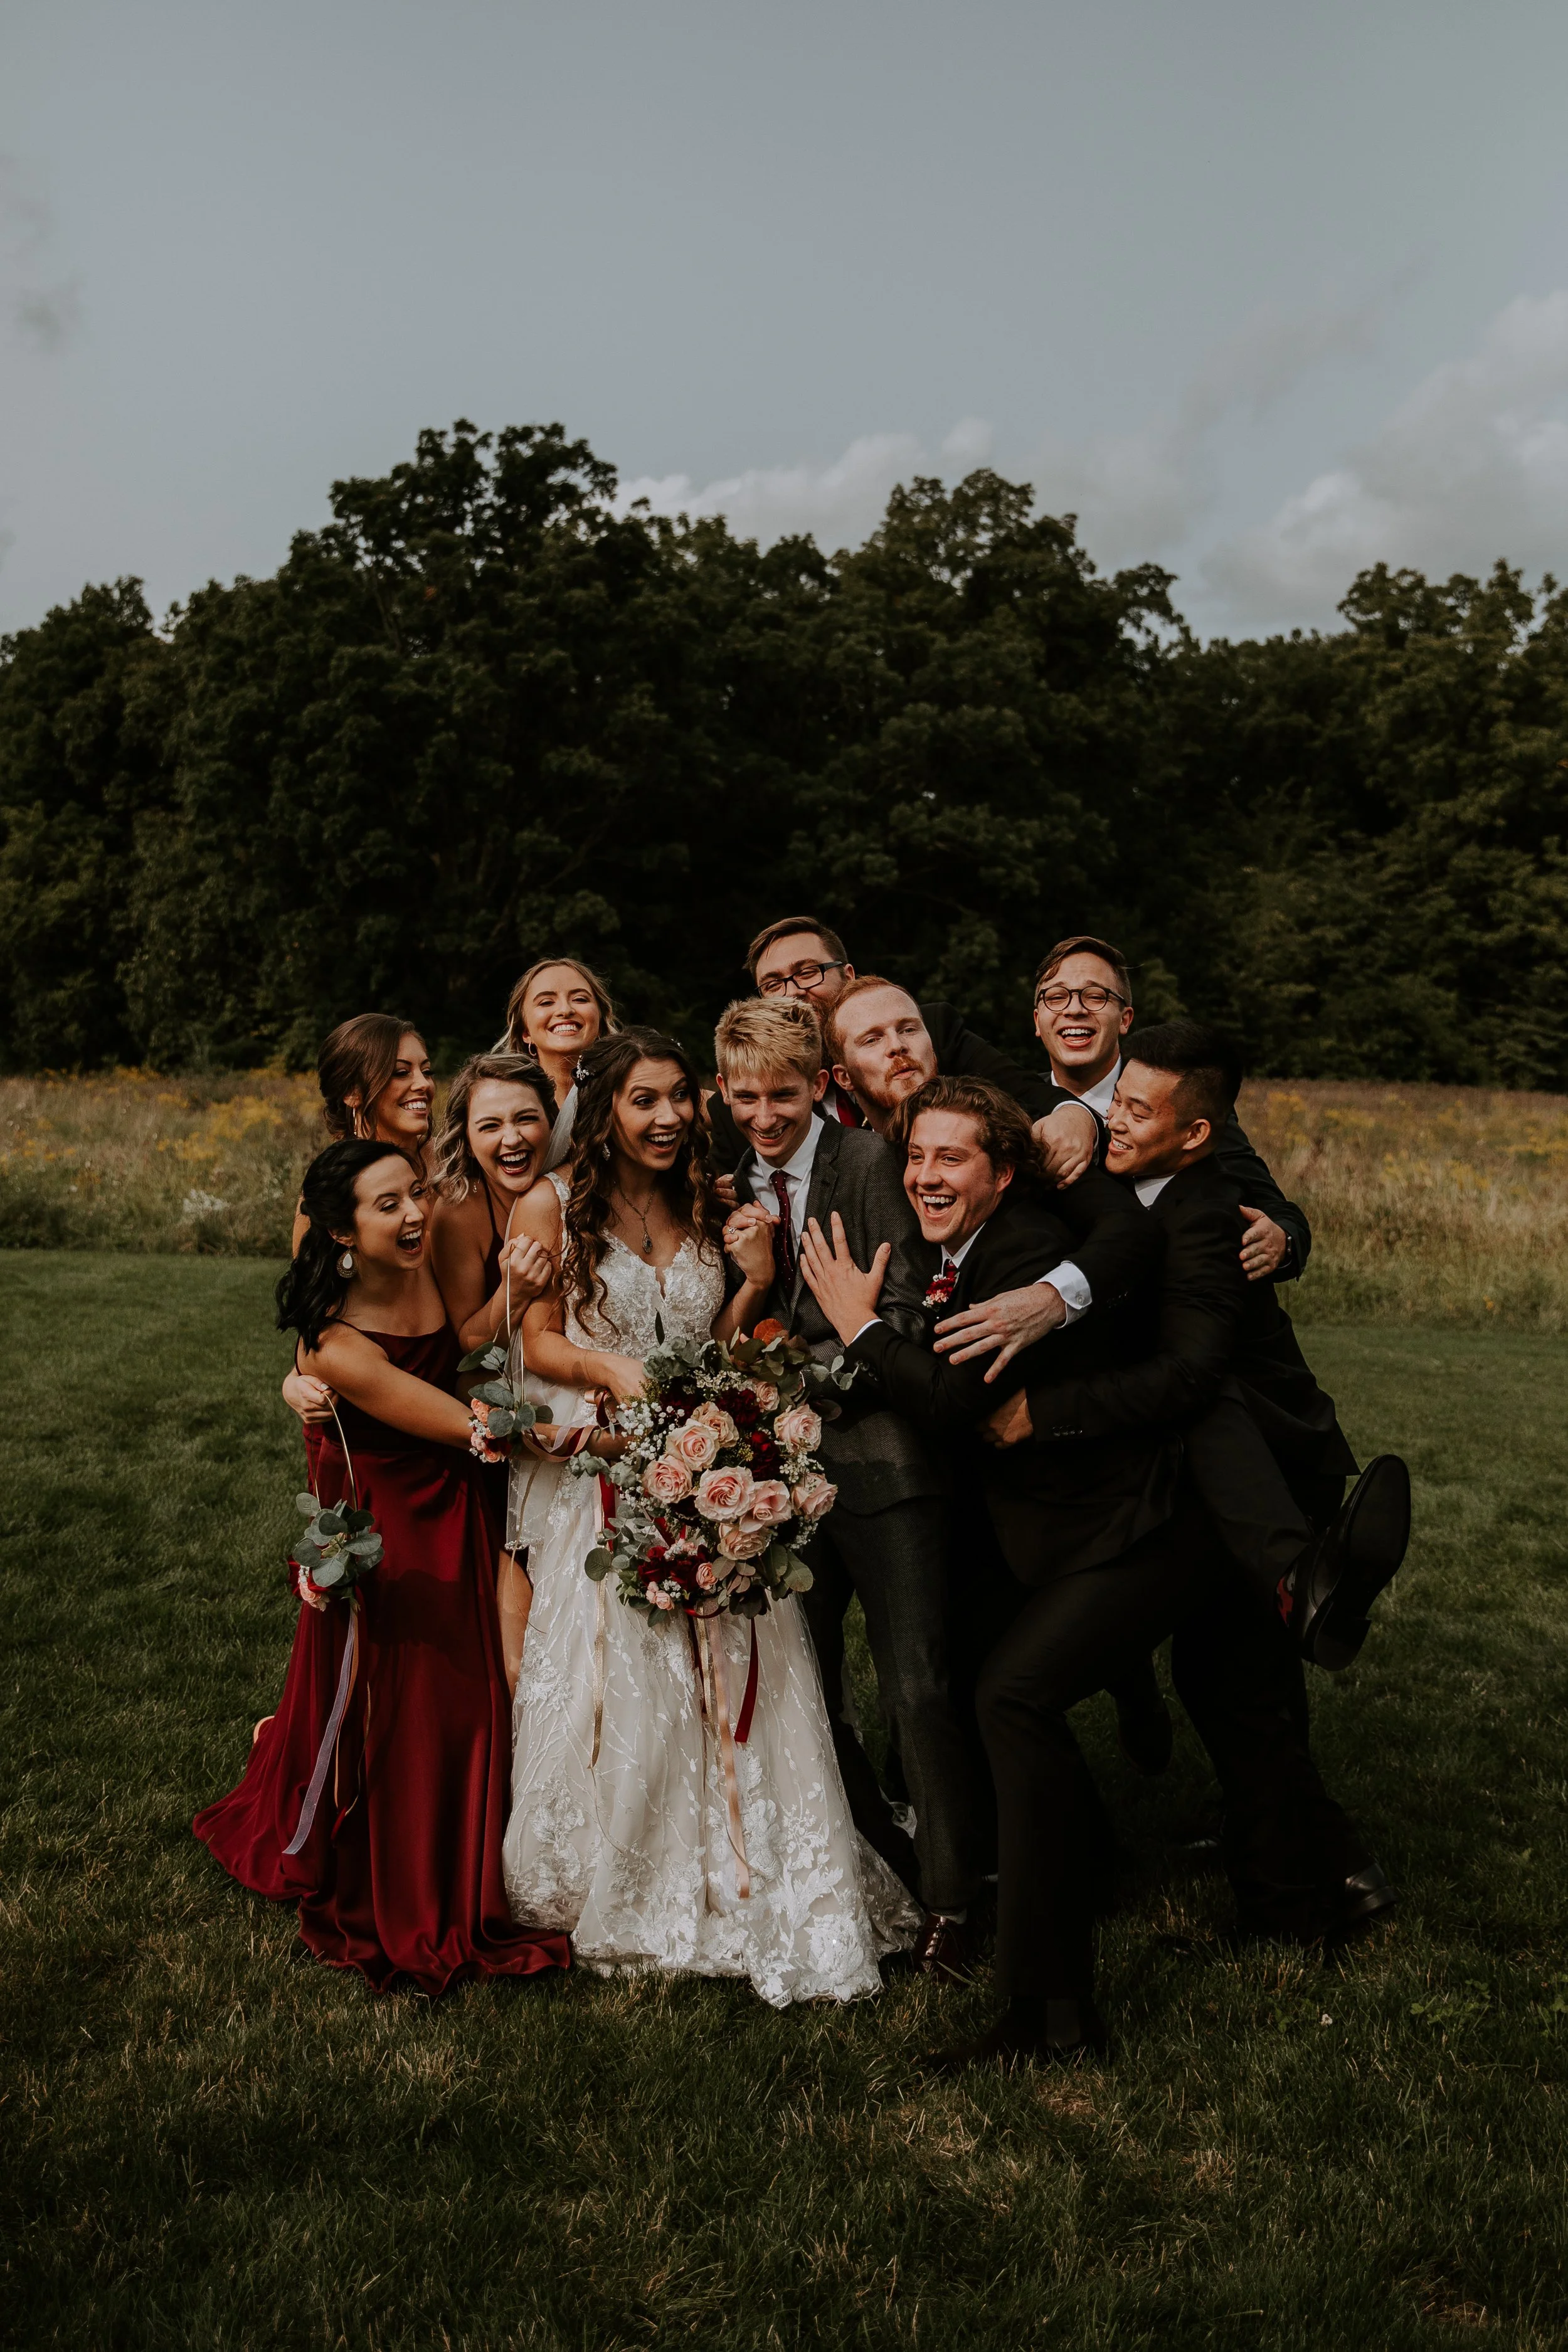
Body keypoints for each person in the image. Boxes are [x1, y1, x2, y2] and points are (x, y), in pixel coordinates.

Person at [801, 1069, 1377, 2068]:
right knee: (1004, 1696)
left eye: (951, 1158)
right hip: (1076, 1527)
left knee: (1013, 1699)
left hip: (1152, 1523)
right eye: (917, 1157)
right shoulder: (975, 1242)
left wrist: (855, 1323)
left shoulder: (1021, 1246)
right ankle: (1068, 1934)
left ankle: (1052, 2013)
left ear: (1005, 1170)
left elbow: (951, 1400)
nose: (926, 1177)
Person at [498, 1027, 919, 2006]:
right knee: (625, 1676)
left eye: (681, 1096)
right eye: (645, 1099)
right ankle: (628, 1869)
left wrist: (760, 1281)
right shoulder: (551, 1201)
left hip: (702, 1459)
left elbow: (717, 1345)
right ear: (603, 1109)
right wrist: (611, 1370)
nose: (670, 1117)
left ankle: (744, 1864)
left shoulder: (709, 1198)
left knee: (729, 1672)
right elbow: (540, 1342)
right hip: (606, 1465)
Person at [193, 1140, 570, 1998]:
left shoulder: (423, 1265)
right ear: (341, 1230)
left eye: (414, 1196)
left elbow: (461, 1341)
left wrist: (520, 1297)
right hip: (392, 1514)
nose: (413, 1216)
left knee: (477, 1681)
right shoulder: (331, 1346)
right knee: (417, 1687)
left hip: (455, 1493)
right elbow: (461, 1419)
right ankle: (410, 1865)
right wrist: (584, 1436)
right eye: (387, 1205)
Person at [714, 993, 985, 1973]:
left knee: (918, 1685)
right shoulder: (729, 1182)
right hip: (784, 1484)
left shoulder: (869, 1165)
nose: (764, 1116)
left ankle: (958, 1902)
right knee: (812, 1692)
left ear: (821, 1086)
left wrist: (799, 1349)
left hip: (884, 1466)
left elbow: (905, 1315)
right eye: (745, 1098)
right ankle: (883, 1863)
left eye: (783, 1094)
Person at [706, 914, 1098, 1179]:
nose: (794, 993)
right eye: (774, 985)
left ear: (848, 975)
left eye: (808, 972)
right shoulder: (741, 1103)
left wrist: (1075, 1114)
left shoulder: (926, 1033)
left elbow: (1030, 1093)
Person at [1027, 933, 1308, 1285]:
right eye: (1056, 997)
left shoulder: (1182, 1099)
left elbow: (1267, 1200)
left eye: (1095, 996)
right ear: (1037, 1021)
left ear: (1126, 1019)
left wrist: (1283, 1238)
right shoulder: (1013, 1108)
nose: (1075, 1009)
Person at [283, 1014, 438, 1426]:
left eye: (425, 1070)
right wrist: (295, 1380)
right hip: (377, 1418)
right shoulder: (326, 1197)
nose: (422, 1084)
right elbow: (319, 1319)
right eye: (400, 1073)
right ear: (353, 1092)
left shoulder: (457, 1163)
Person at [428, 1054, 559, 1356]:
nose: (512, 1139)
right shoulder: (458, 1213)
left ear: (551, 1122)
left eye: (526, 1119)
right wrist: (513, 1292)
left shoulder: (586, 1186)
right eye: (490, 1126)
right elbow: (470, 1346)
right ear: (468, 1142)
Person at [497, 955, 617, 1170]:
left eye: (580, 999)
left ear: (599, 1021)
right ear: (525, 1032)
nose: (565, 1010)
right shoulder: (499, 1100)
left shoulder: (627, 1093)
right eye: (546, 1002)